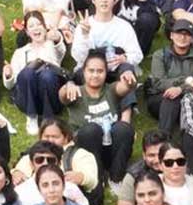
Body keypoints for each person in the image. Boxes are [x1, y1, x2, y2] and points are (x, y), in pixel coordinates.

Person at [57, 50, 135, 191]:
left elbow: (126, 86)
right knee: (91, 129)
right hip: (87, 149)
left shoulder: (111, 89)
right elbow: (62, 96)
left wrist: (129, 77)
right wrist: (68, 86)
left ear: (106, 73)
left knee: (124, 128)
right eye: (91, 71)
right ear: (84, 72)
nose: (95, 75)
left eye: (100, 71)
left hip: (111, 146)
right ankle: (97, 178)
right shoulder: (76, 92)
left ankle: (116, 178)